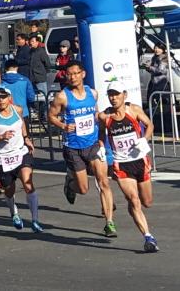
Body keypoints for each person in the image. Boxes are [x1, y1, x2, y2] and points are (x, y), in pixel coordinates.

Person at [47, 60, 116, 237]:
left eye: (76, 73)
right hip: (73, 147)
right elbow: (51, 116)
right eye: (69, 74)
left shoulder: (92, 93)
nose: (73, 77)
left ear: (83, 74)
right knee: (83, 189)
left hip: (93, 144)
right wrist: (63, 126)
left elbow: (95, 113)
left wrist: (101, 128)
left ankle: (109, 222)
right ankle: (70, 184)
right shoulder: (62, 96)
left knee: (104, 182)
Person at [98, 81, 159, 252]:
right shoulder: (104, 116)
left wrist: (144, 139)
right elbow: (101, 134)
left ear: (124, 95)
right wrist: (101, 147)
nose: (113, 98)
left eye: (116, 94)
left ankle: (134, 208)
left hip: (140, 160)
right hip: (121, 164)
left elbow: (150, 125)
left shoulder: (134, 110)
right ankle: (148, 237)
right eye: (110, 95)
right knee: (134, 199)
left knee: (147, 202)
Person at [0, 87, 43, 233]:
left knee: (28, 183)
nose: (0, 100)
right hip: (4, 157)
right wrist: (1, 137)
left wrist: (26, 138)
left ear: (9, 98)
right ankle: (14, 213)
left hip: (21, 152)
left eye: (3, 97)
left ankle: (35, 220)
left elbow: (22, 123)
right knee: (9, 190)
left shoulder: (18, 110)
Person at [1, 59, 35, 130]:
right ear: (17, 67)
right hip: (23, 112)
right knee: (24, 135)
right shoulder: (25, 80)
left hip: (5, 113)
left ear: (5, 68)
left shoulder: (1, 81)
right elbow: (31, 97)